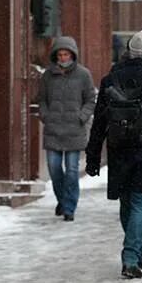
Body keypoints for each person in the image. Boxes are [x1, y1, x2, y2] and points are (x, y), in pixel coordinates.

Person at [85, 31, 142, 279]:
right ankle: (130, 257)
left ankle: (138, 255)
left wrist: (93, 156)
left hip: (119, 152)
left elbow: (99, 123)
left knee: (128, 203)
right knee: (141, 204)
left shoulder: (110, 80)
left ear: (128, 51)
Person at [36, 36, 96, 221]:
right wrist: (46, 116)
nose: (63, 57)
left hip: (74, 130)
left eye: (66, 54)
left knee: (71, 170)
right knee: (54, 169)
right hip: (53, 129)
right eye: (60, 54)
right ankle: (62, 200)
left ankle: (69, 207)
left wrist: (82, 117)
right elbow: (42, 99)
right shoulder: (47, 76)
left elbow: (90, 99)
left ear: (73, 54)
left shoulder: (83, 74)